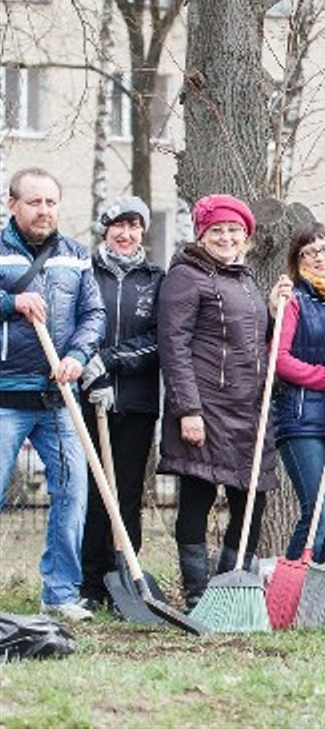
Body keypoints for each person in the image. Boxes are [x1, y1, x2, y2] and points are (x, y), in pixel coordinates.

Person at [158, 194, 278, 610]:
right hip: (205, 409)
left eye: (234, 231)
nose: (227, 238)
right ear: (202, 235)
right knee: (198, 495)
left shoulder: (245, 279)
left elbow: (253, 342)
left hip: (249, 412)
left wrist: (275, 313)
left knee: (252, 500)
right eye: (217, 230)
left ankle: (229, 591)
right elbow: (173, 347)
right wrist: (188, 410)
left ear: (246, 237)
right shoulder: (185, 277)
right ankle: (195, 595)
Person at [0, 167, 105, 622]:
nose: (44, 211)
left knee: (72, 495)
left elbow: (94, 314)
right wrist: (10, 303)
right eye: (34, 202)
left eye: (51, 203)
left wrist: (79, 355)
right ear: (12, 205)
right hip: (4, 397)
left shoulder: (76, 256)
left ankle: (60, 593)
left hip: (58, 399)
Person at [78, 196, 165, 611]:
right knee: (92, 492)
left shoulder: (155, 278)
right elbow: (75, 324)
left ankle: (125, 580)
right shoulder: (86, 272)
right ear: (105, 229)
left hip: (136, 402)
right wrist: (88, 371)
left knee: (126, 493)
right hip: (86, 398)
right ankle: (90, 584)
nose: (126, 234)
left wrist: (110, 362)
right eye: (118, 225)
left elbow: (160, 340)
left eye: (134, 226)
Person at [269, 222, 325, 564]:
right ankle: (289, 593)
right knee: (318, 511)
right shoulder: (295, 299)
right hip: (302, 418)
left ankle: (322, 605)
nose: (320, 257)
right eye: (310, 252)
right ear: (299, 259)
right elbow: (281, 358)